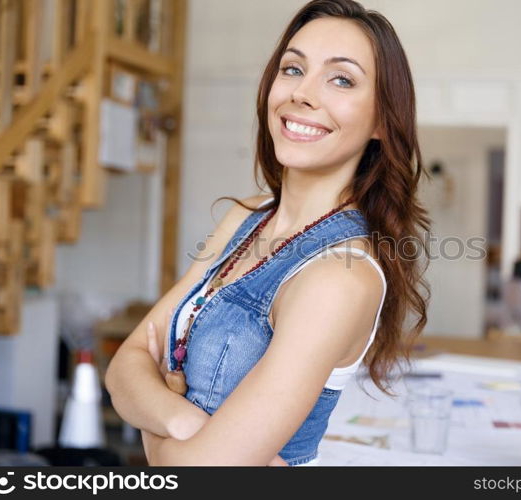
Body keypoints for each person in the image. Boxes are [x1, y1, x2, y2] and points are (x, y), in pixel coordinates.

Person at [104, 0, 431, 466]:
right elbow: (125, 364)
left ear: (382, 119)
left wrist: (151, 423)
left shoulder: (341, 276)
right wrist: (184, 423)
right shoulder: (245, 217)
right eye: (293, 69)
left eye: (341, 79)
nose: (303, 94)